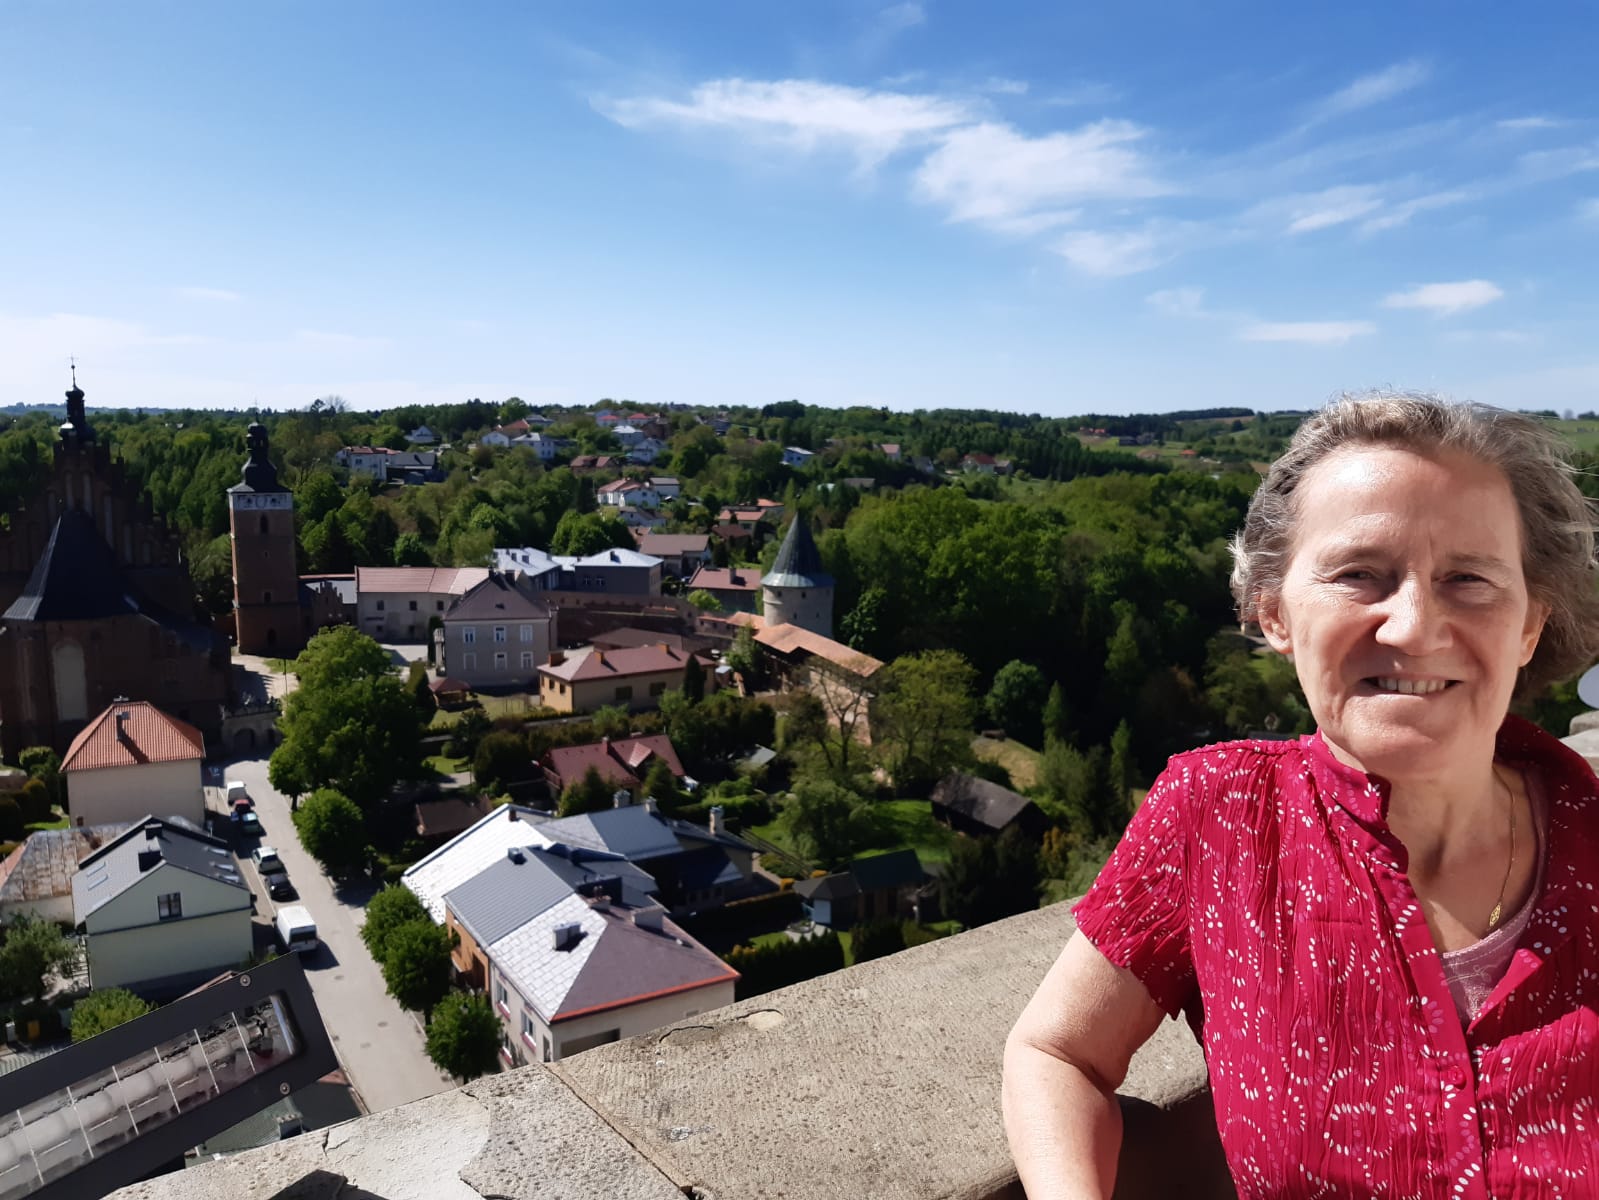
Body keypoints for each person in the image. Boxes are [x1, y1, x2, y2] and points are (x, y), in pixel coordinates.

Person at [1003, 393, 1599, 1199]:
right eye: (1358, 575)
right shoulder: (1217, 816)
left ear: (1528, 625)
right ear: (1273, 612)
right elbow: (1055, 1054)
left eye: (1467, 578)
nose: (1413, 627)